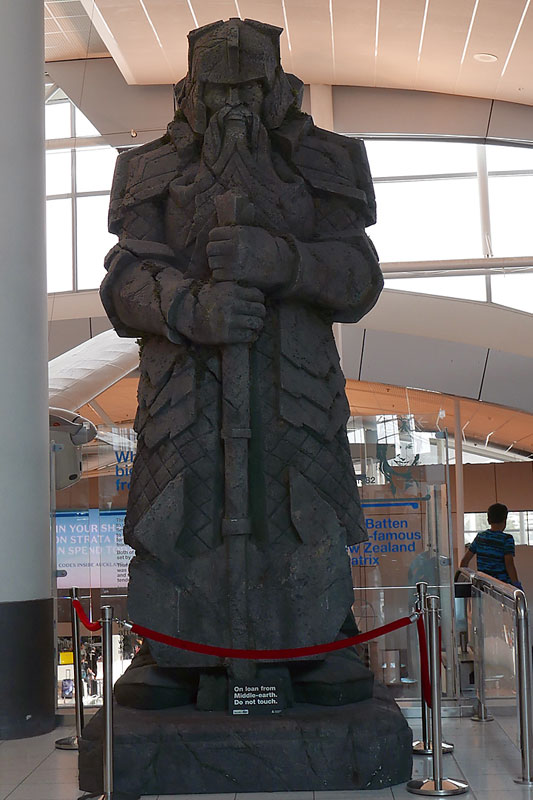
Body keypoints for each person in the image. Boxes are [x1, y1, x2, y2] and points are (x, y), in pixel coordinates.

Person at [102, 18, 382, 707]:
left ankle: (317, 640)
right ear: (191, 92)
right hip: (185, 392)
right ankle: (171, 648)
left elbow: (358, 277)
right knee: (178, 512)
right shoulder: (148, 169)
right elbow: (124, 279)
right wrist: (188, 307)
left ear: (276, 88)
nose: (233, 105)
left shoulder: (328, 160)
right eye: (217, 90)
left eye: (247, 88)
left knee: (302, 510)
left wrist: (283, 261)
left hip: (294, 388)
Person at [460, 503, 522, 588]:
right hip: (502, 587)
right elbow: (509, 564)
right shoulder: (506, 539)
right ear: (505, 520)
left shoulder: (480, 537)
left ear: (488, 520)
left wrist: (467, 580)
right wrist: (516, 584)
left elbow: (464, 561)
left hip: (483, 585)